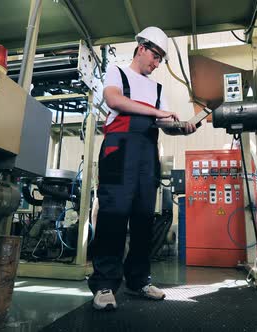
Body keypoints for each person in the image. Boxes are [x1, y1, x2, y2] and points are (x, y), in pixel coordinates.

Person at [88, 26, 197, 311]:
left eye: (161, 58)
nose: (157, 63)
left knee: (143, 219)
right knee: (113, 216)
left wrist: (182, 128)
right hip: (119, 151)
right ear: (141, 48)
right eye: (156, 56)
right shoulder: (117, 72)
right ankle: (104, 284)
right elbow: (114, 100)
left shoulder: (157, 88)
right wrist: (156, 111)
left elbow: (162, 123)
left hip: (147, 155)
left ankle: (138, 280)